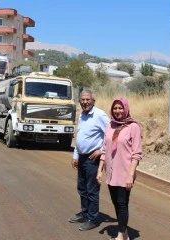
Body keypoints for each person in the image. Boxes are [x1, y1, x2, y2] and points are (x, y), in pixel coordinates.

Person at [97, 97, 142, 240]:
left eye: (120, 108)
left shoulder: (133, 127)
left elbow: (136, 154)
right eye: (115, 108)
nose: (118, 111)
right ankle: (125, 232)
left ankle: (121, 235)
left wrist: (131, 175)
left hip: (125, 172)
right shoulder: (110, 125)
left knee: (122, 203)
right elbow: (104, 149)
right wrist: (99, 170)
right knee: (116, 203)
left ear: (126, 108)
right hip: (111, 172)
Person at [69, 89, 110, 231]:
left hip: (93, 159)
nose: (85, 102)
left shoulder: (100, 115)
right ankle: (85, 213)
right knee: (82, 188)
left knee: (92, 190)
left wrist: (102, 151)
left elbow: (112, 135)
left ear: (93, 101)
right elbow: (80, 136)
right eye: (82, 99)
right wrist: (76, 155)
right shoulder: (82, 115)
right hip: (82, 157)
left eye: (88, 99)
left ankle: (92, 218)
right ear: (79, 101)